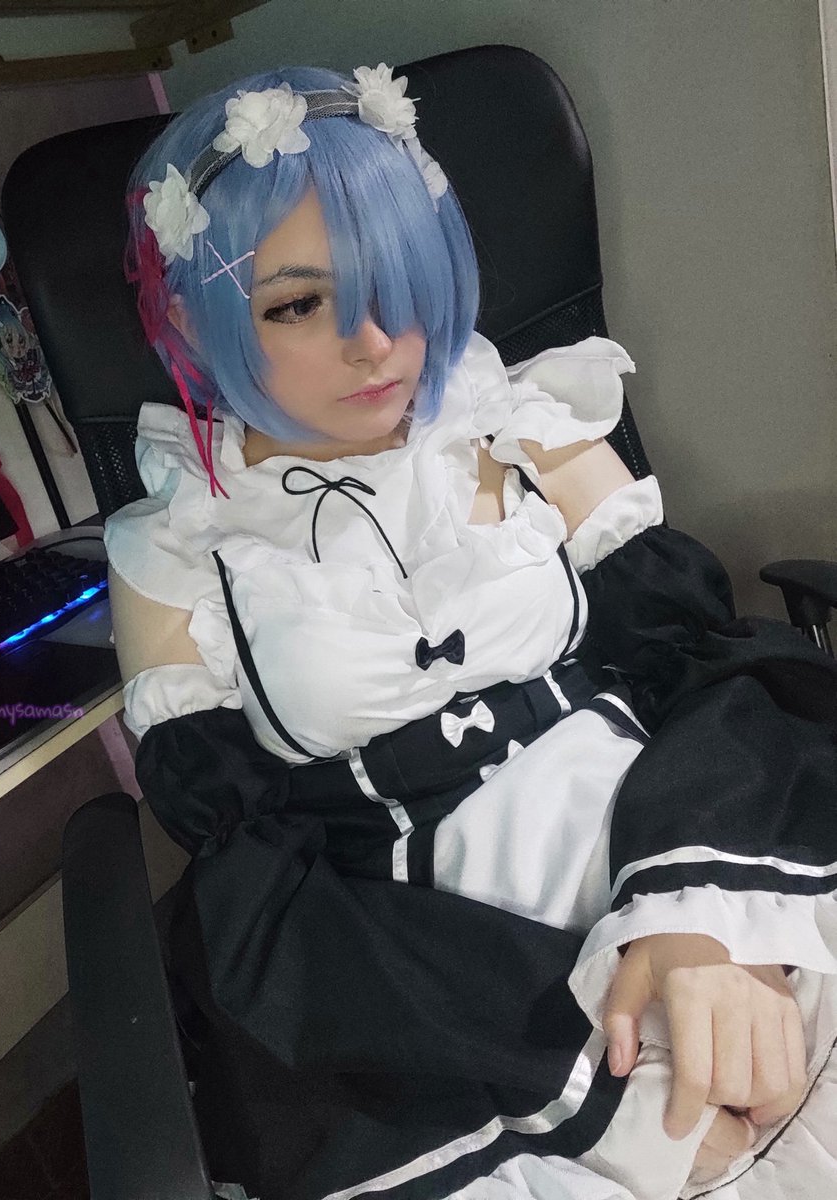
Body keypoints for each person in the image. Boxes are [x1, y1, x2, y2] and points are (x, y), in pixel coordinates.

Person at [105, 64, 837, 1200]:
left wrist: (700, 915)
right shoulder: (178, 545)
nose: (376, 343)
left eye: (402, 284)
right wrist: (569, 1058)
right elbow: (254, 877)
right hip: (436, 973)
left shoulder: (523, 423)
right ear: (196, 324)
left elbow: (697, 659)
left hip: (666, 821)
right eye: (297, 304)